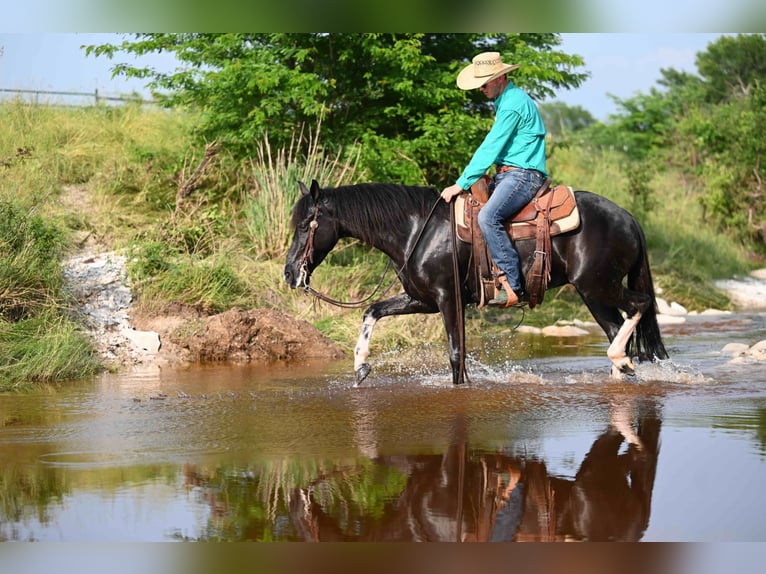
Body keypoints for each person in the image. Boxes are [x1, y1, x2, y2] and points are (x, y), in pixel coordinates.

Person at [441, 51, 548, 308]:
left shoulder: (512, 103)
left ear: (501, 78)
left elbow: (490, 146)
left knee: (487, 217)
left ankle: (512, 284)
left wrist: (462, 182)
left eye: (485, 82)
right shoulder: (504, 100)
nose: (481, 87)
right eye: (480, 82)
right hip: (509, 172)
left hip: (523, 175)